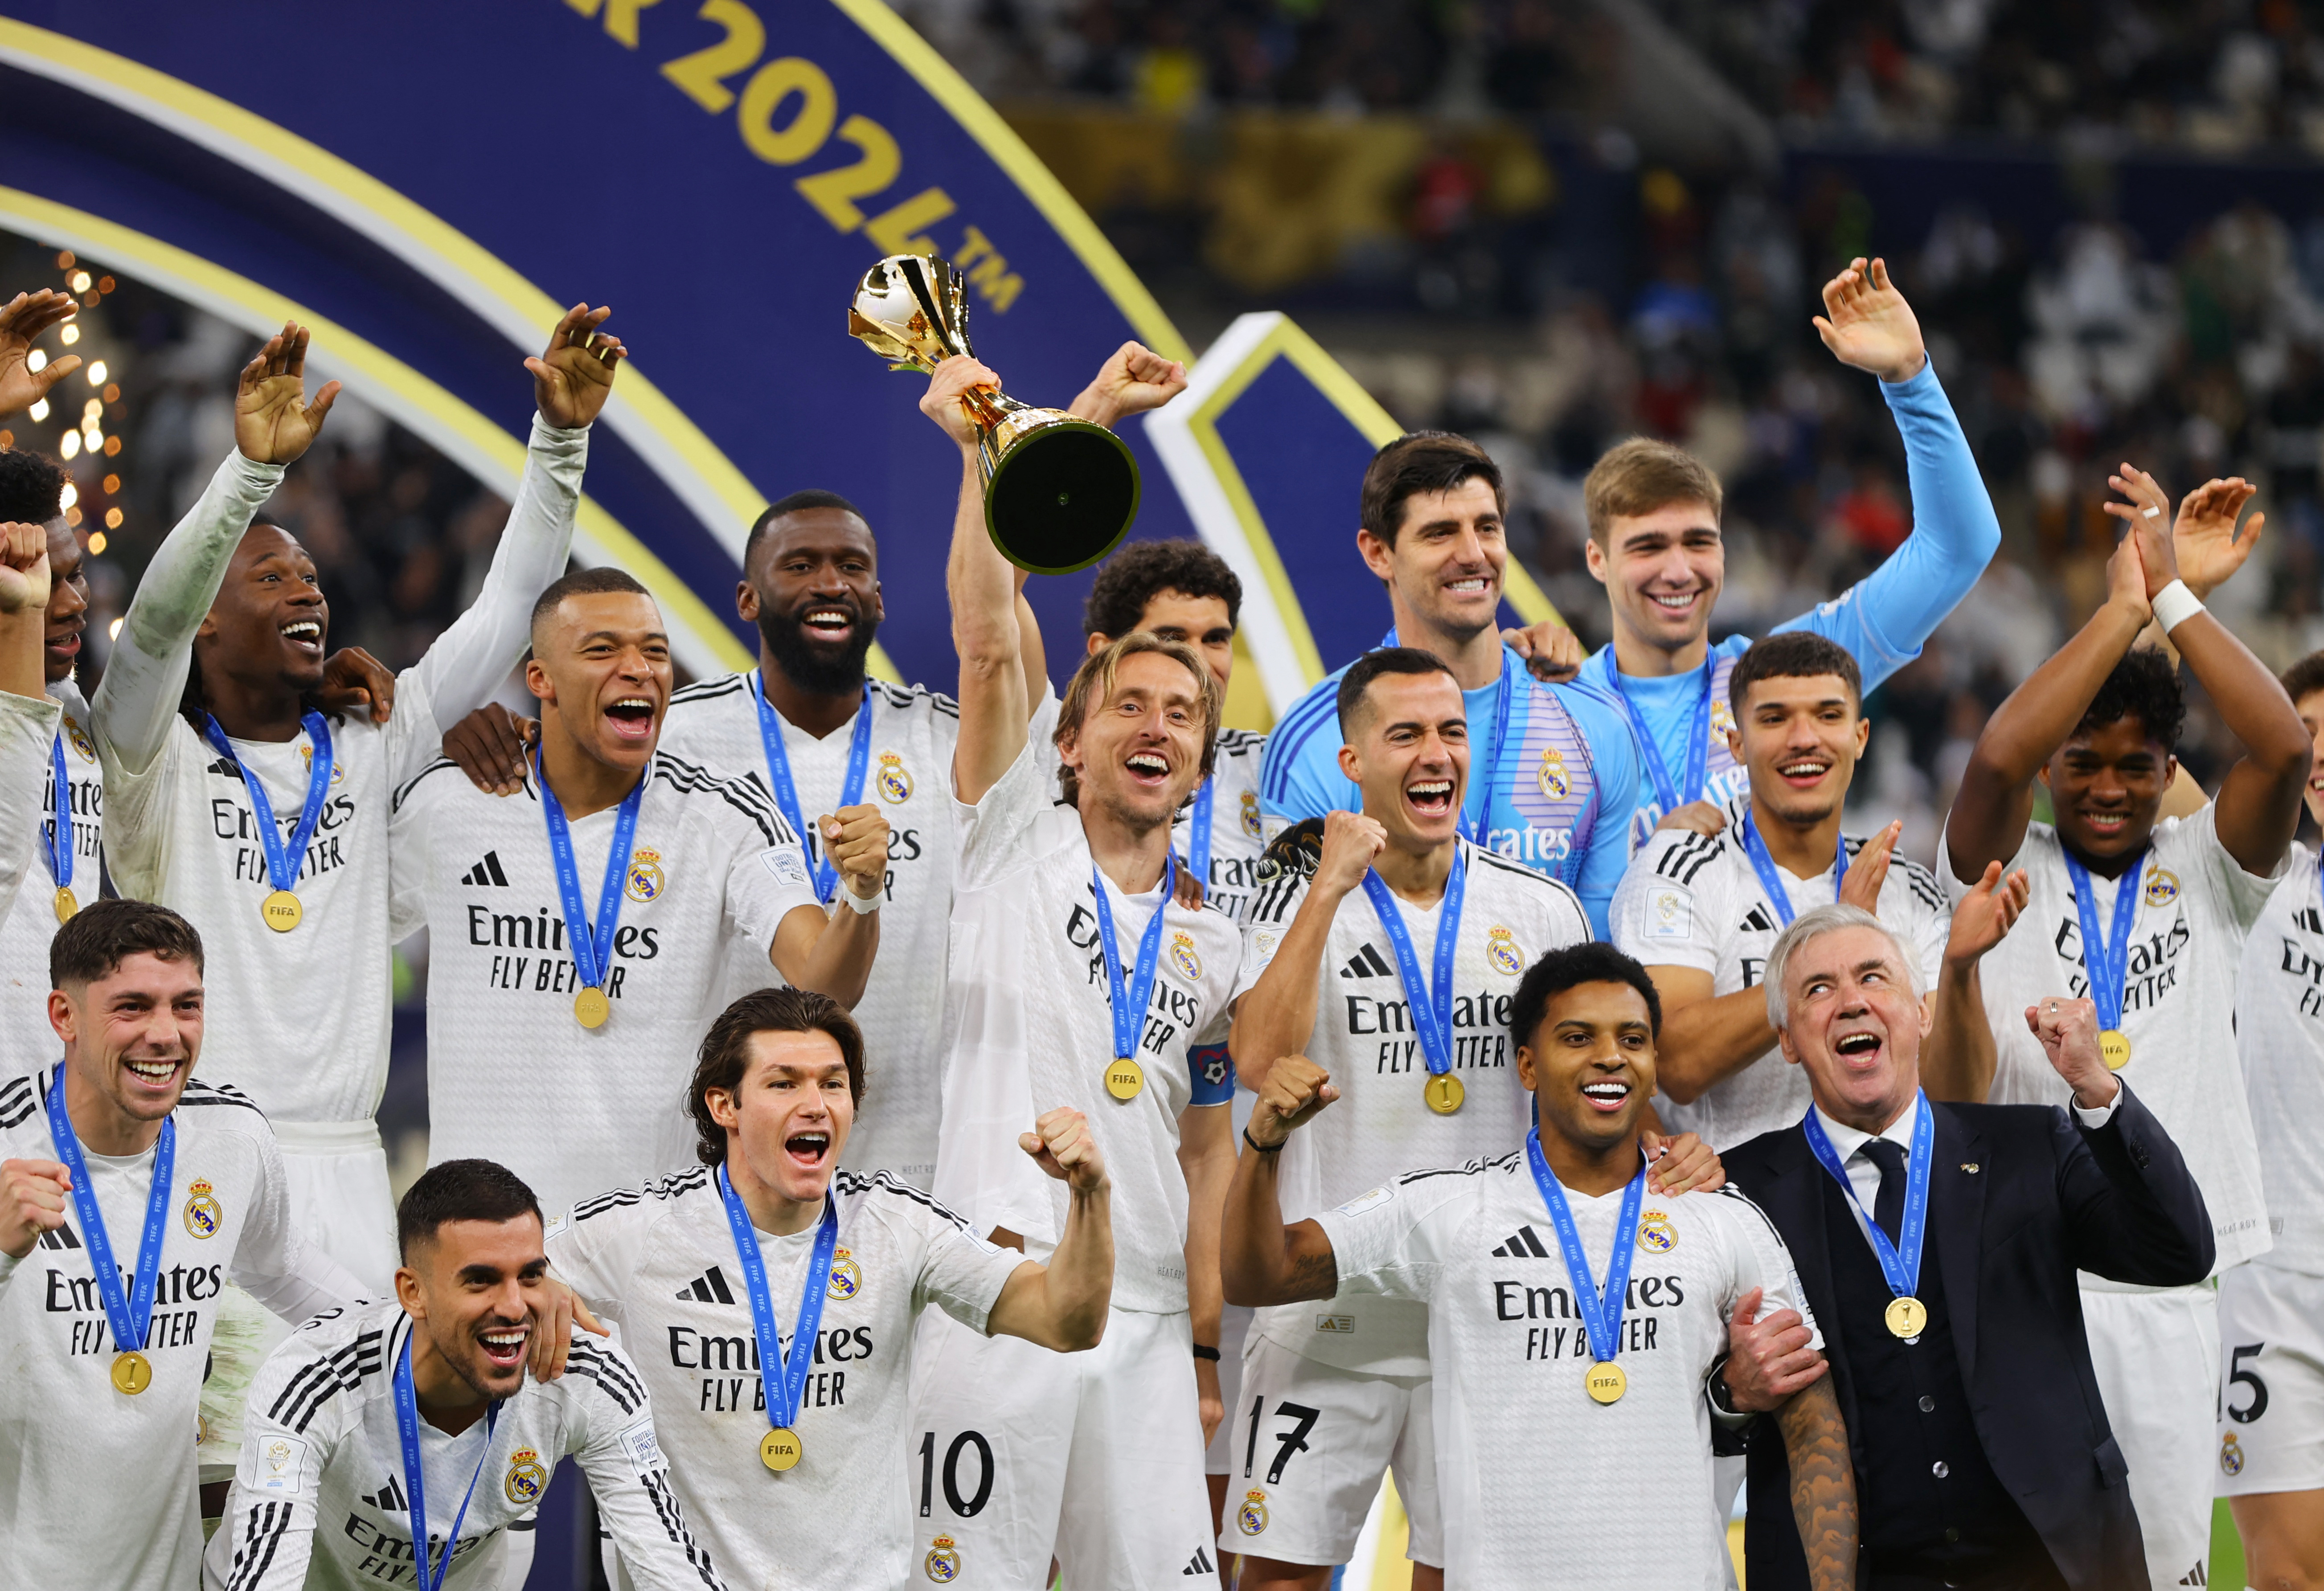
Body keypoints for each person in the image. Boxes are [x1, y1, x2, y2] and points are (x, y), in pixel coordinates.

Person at [90, 309, 623, 1288]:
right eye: (271, 577)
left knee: (363, 1396)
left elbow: (510, 609)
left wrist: (560, 440)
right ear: (210, 621)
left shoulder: (372, 738)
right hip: (200, 1157)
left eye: (311, 576)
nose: (308, 592)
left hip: (350, 1168)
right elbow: (155, 627)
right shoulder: (148, 762)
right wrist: (249, 475)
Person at [1227, 647, 1725, 1588]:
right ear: (1352, 762)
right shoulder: (1296, 894)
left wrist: (1668, 1150)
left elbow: (1594, 1086)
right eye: (1405, 734)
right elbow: (1259, 1058)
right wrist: (1329, 886)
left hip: (1489, 1314)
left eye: (1452, 732)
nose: (1436, 753)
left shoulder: (1540, 908)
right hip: (1326, 1301)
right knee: (1281, 1578)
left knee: (1464, 1577)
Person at [909, 352, 1244, 1589]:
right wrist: (999, 447)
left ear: (1201, 762)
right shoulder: (1012, 840)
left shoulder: (1216, 941)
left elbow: (1204, 1150)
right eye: (1129, 704)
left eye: (1182, 714)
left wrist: (1204, 1349)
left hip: (1143, 1313)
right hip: (994, 1283)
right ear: (1069, 739)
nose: (1156, 726)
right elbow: (987, 638)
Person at [1221, 941, 1857, 1590]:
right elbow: (1259, 1275)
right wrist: (1263, 1145)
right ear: (1527, 1065)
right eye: (1577, 1037)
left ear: (1652, 1063)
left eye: (1632, 1038)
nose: (1610, 1055)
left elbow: (1812, 1419)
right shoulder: (1453, 1208)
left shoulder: (1721, 1215)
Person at [1941, 468, 2308, 1589]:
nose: (2106, 788)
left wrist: (2175, 600)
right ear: (2053, 769)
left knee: (2164, 1567)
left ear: (2170, 770)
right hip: (2022, 1275)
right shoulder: (2003, 864)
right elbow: (1997, 758)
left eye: (2135, 767)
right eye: (2083, 764)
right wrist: (2120, 609)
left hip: (2165, 1283)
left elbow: (2284, 749)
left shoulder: (2212, 870)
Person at [543, 986, 1114, 1590]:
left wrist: (1090, 1194)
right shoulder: (646, 1229)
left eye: (832, 1084)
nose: (815, 1105)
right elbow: (488, 1270)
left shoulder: (896, 1222)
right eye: (784, 1083)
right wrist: (535, 1281)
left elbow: (1066, 1320)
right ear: (724, 1105)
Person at [1717, 904, 2217, 1590]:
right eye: (1818, 988)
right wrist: (1731, 1390)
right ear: (1786, 1039)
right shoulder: (1735, 1188)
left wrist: (2098, 1090)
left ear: (1921, 1012)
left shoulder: (2032, 1142)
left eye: (1873, 976)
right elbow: (1688, 1396)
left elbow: (2178, 1250)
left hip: (2054, 1563)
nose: (1851, 1000)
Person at [386, 567, 885, 1219]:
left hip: (655, 1235)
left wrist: (862, 894)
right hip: (482, 1233)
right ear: (540, 678)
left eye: (654, 651)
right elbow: (334, 925)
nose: (639, 669)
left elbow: (825, 983)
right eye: (602, 650)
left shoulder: (722, 817)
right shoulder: (451, 802)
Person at [1564, 258, 2001, 845]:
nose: (1678, 569)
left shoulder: (1790, 675)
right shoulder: (1555, 714)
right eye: (1648, 545)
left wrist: (1909, 381)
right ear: (1597, 559)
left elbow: (1958, 547)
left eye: (1698, 541)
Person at [0, 899, 366, 1590]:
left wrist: (424, 1330)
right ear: (64, 1015)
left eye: (187, 1005)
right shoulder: (9, 1145)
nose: (166, 1034)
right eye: (132, 1007)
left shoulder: (232, 1136)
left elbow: (282, 1266)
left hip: (167, 1571)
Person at [0, 449, 396, 1067]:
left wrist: (296, 691)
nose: (76, 600)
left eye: (75, 575)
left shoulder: (73, 710)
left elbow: (157, 643)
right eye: (46, 582)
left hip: (67, 1081)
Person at [203, 1158, 724, 1590]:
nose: (515, 1307)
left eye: (531, 1275)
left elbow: (670, 1564)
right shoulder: (314, 1379)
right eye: (481, 1281)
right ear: (413, 1293)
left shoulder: (587, 1375)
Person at [1612, 631, 2029, 1149]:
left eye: (1828, 716)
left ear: (1860, 736)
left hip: (1887, 1192)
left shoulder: (1908, 889)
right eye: (1774, 719)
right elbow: (1676, 1064)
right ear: (1737, 744)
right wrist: (1831, 935)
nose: (1804, 738)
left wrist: (1961, 971)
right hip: (1732, 1193)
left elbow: (1956, 1098)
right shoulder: (1678, 870)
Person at [1258, 430, 1644, 937]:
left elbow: (1607, 951)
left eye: (1487, 527)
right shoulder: (1311, 740)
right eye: (1439, 533)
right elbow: (1289, 952)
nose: (1472, 554)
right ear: (1378, 553)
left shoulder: (1596, 723)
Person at [2216, 648, 2324, 1589]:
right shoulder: (2254, 884)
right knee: (2286, 1576)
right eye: (2306, 733)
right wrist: (2156, 607)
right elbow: (2126, 722)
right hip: (2274, 1274)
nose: (2318, 753)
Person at [1082, 538, 1268, 925]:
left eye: (1215, 639)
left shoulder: (1274, 769)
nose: (1197, 659)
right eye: (1172, 638)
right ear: (1103, 651)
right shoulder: (1053, 747)